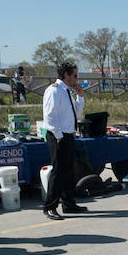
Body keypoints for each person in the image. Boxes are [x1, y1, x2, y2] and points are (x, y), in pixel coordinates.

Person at [42, 61, 88, 220]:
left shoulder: (67, 91)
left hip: (68, 135)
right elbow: (49, 116)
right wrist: (58, 135)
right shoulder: (54, 90)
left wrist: (80, 97)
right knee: (58, 172)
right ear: (66, 75)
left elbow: (77, 112)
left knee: (69, 171)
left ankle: (69, 204)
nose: (77, 79)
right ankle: (50, 206)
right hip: (58, 136)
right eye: (75, 75)